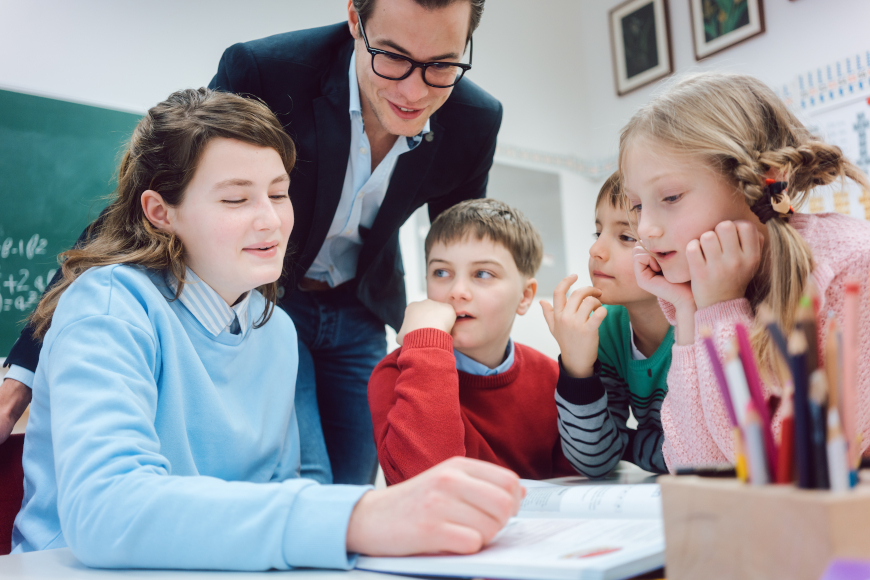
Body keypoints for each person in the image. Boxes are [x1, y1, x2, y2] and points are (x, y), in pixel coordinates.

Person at [11, 88, 523, 568]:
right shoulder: (110, 305)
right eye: (236, 199)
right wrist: (359, 516)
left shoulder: (275, 329)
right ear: (160, 212)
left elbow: (277, 488)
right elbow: (106, 509)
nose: (271, 221)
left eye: (278, 194)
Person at [0, 0, 502, 487]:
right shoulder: (270, 71)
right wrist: (24, 370)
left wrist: (464, 355)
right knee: (311, 477)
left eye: (440, 64)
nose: (415, 89)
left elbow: (460, 244)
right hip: (271, 300)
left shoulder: (475, 118)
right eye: (392, 57)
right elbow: (151, 192)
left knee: (352, 484)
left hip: (360, 304)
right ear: (355, 17)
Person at [621, 72, 870, 470]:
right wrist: (691, 312)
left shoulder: (852, 270)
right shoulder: (706, 284)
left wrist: (720, 310)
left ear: (753, 183)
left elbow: (780, 469)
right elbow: (691, 466)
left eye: (670, 197)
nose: (645, 228)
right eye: (636, 205)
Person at [368, 199, 578, 484]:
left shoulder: (552, 378)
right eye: (441, 272)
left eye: (482, 274)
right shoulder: (394, 374)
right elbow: (429, 483)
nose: (457, 291)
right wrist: (426, 344)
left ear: (525, 296)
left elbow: (573, 488)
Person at [547, 173, 673, 478]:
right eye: (598, 233)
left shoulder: (707, 324)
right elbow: (595, 461)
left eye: (626, 237)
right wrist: (577, 369)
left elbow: (713, 456)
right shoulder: (605, 327)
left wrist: (629, 444)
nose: (596, 251)